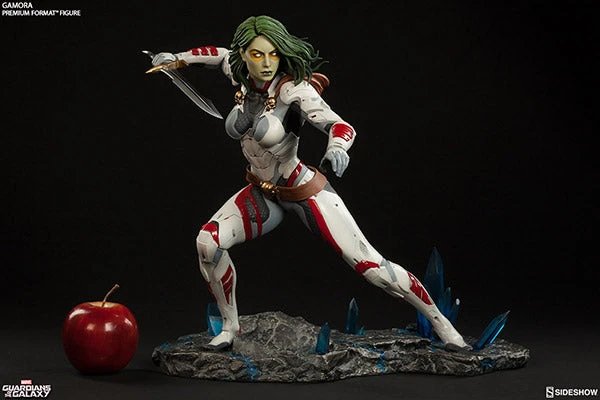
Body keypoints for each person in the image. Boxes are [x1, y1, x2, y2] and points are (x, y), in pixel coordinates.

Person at [150, 15, 470, 350]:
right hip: (263, 192)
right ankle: (230, 328)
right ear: (243, 55)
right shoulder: (240, 74)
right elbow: (218, 55)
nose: (266, 63)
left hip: (300, 188)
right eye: (257, 55)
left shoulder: (292, 90)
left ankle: (442, 324)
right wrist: (178, 59)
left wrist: (337, 148)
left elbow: (340, 125)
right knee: (208, 243)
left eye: (273, 55)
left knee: (373, 268)